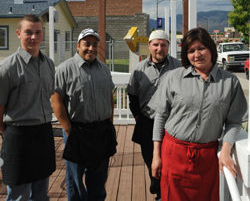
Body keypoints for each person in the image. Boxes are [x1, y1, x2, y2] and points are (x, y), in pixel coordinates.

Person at [151, 27, 248, 201]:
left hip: (206, 158)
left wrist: (226, 151)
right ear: (186, 55)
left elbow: (234, 121)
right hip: (173, 153)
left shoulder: (230, 82)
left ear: (211, 49)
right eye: (191, 51)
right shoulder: (173, 78)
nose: (197, 54)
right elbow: (160, 116)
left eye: (201, 48)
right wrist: (156, 155)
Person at [51, 28, 117, 201]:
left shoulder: (103, 69)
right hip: (76, 131)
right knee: (75, 180)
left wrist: (109, 124)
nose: (91, 48)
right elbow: (56, 100)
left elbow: (109, 97)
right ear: (78, 45)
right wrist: (68, 129)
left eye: (95, 45)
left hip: (101, 130)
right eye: (87, 44)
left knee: (98, 179)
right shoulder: (64, 69)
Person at [0, 15, 56, 201]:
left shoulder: (48, 64)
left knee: (40, 194)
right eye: (28, 32)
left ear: (42, 34)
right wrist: (6, 133)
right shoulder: (7, 68)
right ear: (18, 34)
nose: (33, 37)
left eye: (38, 32)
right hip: (18, 137)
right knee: (17, 195)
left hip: (43, 134)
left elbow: (49, 96)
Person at [127, 29, 181, 200]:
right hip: (147, 122)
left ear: (168, 46)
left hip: (172, 123)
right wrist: (138, 117)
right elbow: (132, 96)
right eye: (156, 44)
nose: (159, 48)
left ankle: (162, 192)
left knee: (170, 161)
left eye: (163, 45)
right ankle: (156, 184)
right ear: (149, 46)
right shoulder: (139, 70)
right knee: (150, 158)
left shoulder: (179, 68)